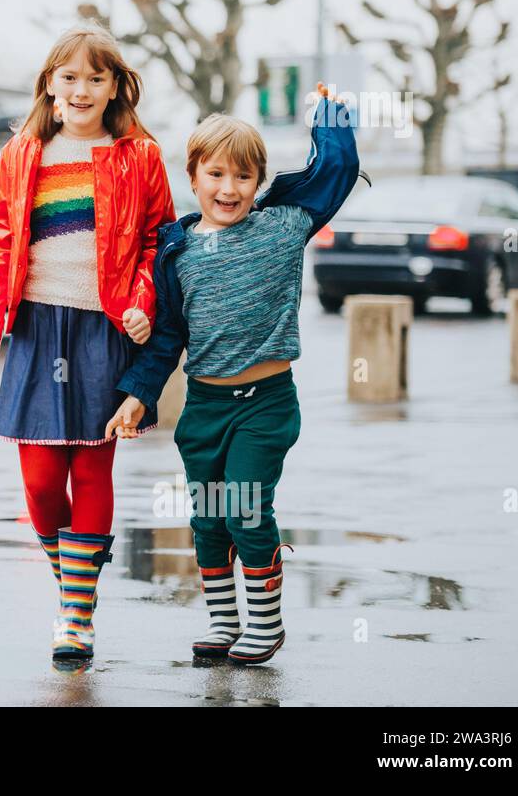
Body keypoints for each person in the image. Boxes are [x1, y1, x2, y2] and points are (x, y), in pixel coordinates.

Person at [105, 84, 364, 666]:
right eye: (216, 175)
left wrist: (329, 116)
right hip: (204, 407)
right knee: (208, 517)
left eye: (244, 177)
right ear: (193, 177)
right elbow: (168, 336)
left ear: (258, 181)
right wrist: (137, 396)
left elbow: (339, 169)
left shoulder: (284, 225)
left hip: (265, 405)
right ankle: (225, 621)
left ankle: (266, 624)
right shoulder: (177, 249)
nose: (230, 189)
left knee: (246, 507)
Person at [0, 20, 175, 662]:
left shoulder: (139, 155)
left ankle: (75, 617)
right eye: (70, 78)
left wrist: (143, 301)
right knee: (38, 481)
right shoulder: (24, 152)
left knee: (91, 465)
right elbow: (1, 234)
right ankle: (77, 586)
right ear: (49, 85)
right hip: (35, 324)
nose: (82, 89)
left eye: (96, 77)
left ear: (116, 87)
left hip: (101, 325)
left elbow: (159, 241)